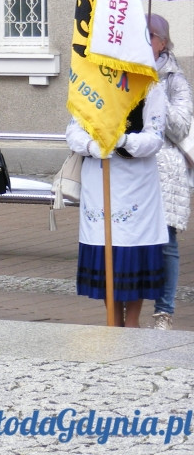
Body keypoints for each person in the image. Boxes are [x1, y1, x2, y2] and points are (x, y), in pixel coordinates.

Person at [67, 67, 169, 328]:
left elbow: (154, 137)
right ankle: (112, 318)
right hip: (99, 180)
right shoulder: (90, 83)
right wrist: (93, 145)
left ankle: (132, 321)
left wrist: (121, 140)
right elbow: (73, 131)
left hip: (136, 184)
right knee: (105, 248)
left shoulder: (149, 85)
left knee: (133, 249)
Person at [149, 14, 190, 330]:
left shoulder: (175, 78)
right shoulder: (125, 73)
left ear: (163, 41)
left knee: (166, 242)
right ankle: (129, 305)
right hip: (133, 165)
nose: (146, 41)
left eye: (151, 35)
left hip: (165, 170)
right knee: (132, 241)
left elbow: (180, 127)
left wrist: (155, 93)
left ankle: (164, 311)